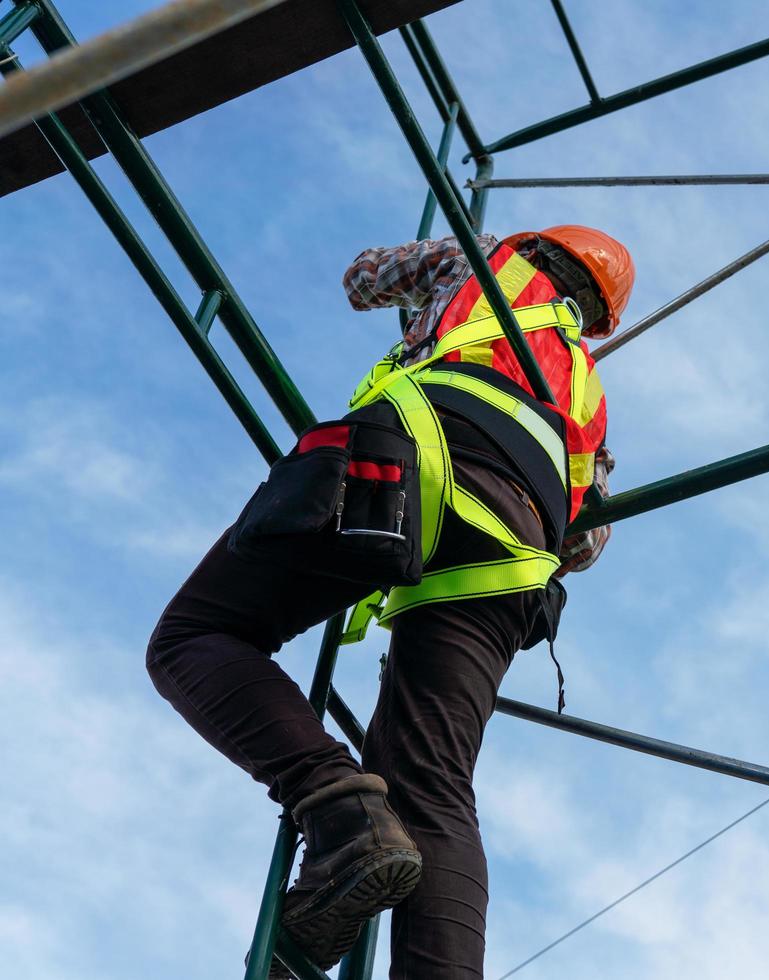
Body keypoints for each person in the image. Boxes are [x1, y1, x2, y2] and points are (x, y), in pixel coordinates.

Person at [146, 226, 633, 978]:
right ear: (597, 315)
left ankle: (341, 810)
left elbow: (363, 278)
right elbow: (587, 545)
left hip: (407, 472)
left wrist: (419, 313)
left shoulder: (480, 262)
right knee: (434, 785)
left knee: (196, 636)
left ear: (539, 251)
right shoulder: (591, 402)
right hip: (510, 560)